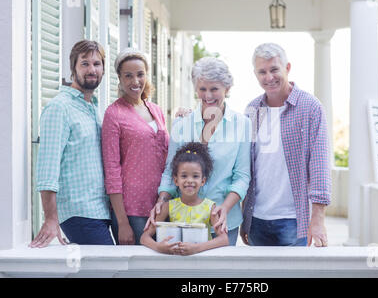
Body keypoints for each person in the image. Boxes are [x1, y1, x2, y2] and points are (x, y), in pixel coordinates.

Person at [145, 57, 251, 246]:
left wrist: (224, 209)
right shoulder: (181, 124)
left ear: (227, 89)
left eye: (214, 89)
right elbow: (170, 170)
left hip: (223, 221)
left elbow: (242, 176)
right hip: (183, 220)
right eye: (202, 89)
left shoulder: (242, 124)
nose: (208, 95)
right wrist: (162, 200)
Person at [240, 43, 331, 247]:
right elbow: (247, 166)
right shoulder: (252, 109)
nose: (269, 77)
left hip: (294, 220)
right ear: (255, 74)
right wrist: (244, 218)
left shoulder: (310, 107)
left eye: (274, 69)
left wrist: (317, 219)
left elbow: (319, 165)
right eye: (262, 72)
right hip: (257, 219)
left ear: (287, 68)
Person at [30, 40, 113, 247]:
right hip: (78, 212)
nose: (92, 69)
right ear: (73, 68)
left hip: (99, 211)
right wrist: (50, 218)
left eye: (97, 64)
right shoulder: (59, 108)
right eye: (84, 64)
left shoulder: (93, 109)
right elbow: (47, 169)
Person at [101, 48, 169, 245]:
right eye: (128, 76)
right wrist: (122, 222)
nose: (135, 81)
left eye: (140, 74)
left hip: (161, 206)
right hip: (132, 210)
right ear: (120, 79)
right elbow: (111, 169)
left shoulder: (155, 109)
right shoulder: (114, 114)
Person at [140, 142, 229, 255]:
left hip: (202, 263)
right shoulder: (168, 207)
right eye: (184, 176)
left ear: (203, 181)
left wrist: (197, 248)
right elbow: (144, 237)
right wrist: (158, 247)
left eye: (195, 176)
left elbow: (224, 239)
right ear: (176, 180)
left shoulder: (211, 208)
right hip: (175, 264)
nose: (189, 180)